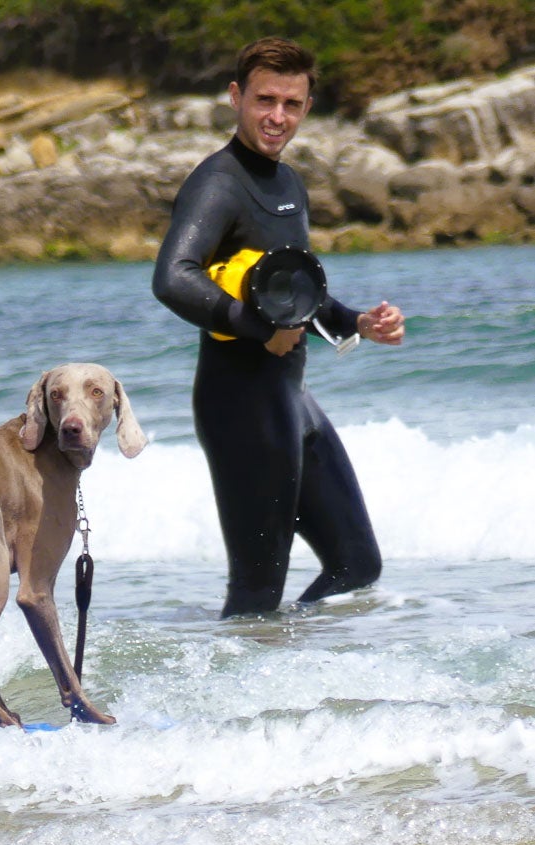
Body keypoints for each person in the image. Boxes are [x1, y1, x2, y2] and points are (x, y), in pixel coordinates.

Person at [151, 37, 406, 617]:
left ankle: (286, 695)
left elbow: (292, 296)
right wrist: (256, 329)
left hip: (291, 400)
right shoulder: (219, 182)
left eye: (292, 104)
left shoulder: (286, 183)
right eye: (265, 100)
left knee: (356, 566)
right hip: (239, 405)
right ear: (236, 97)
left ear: (308, 106)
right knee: (256, 593)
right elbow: (173, 277)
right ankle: (230, 703)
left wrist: (358, 321)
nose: (277, 117)